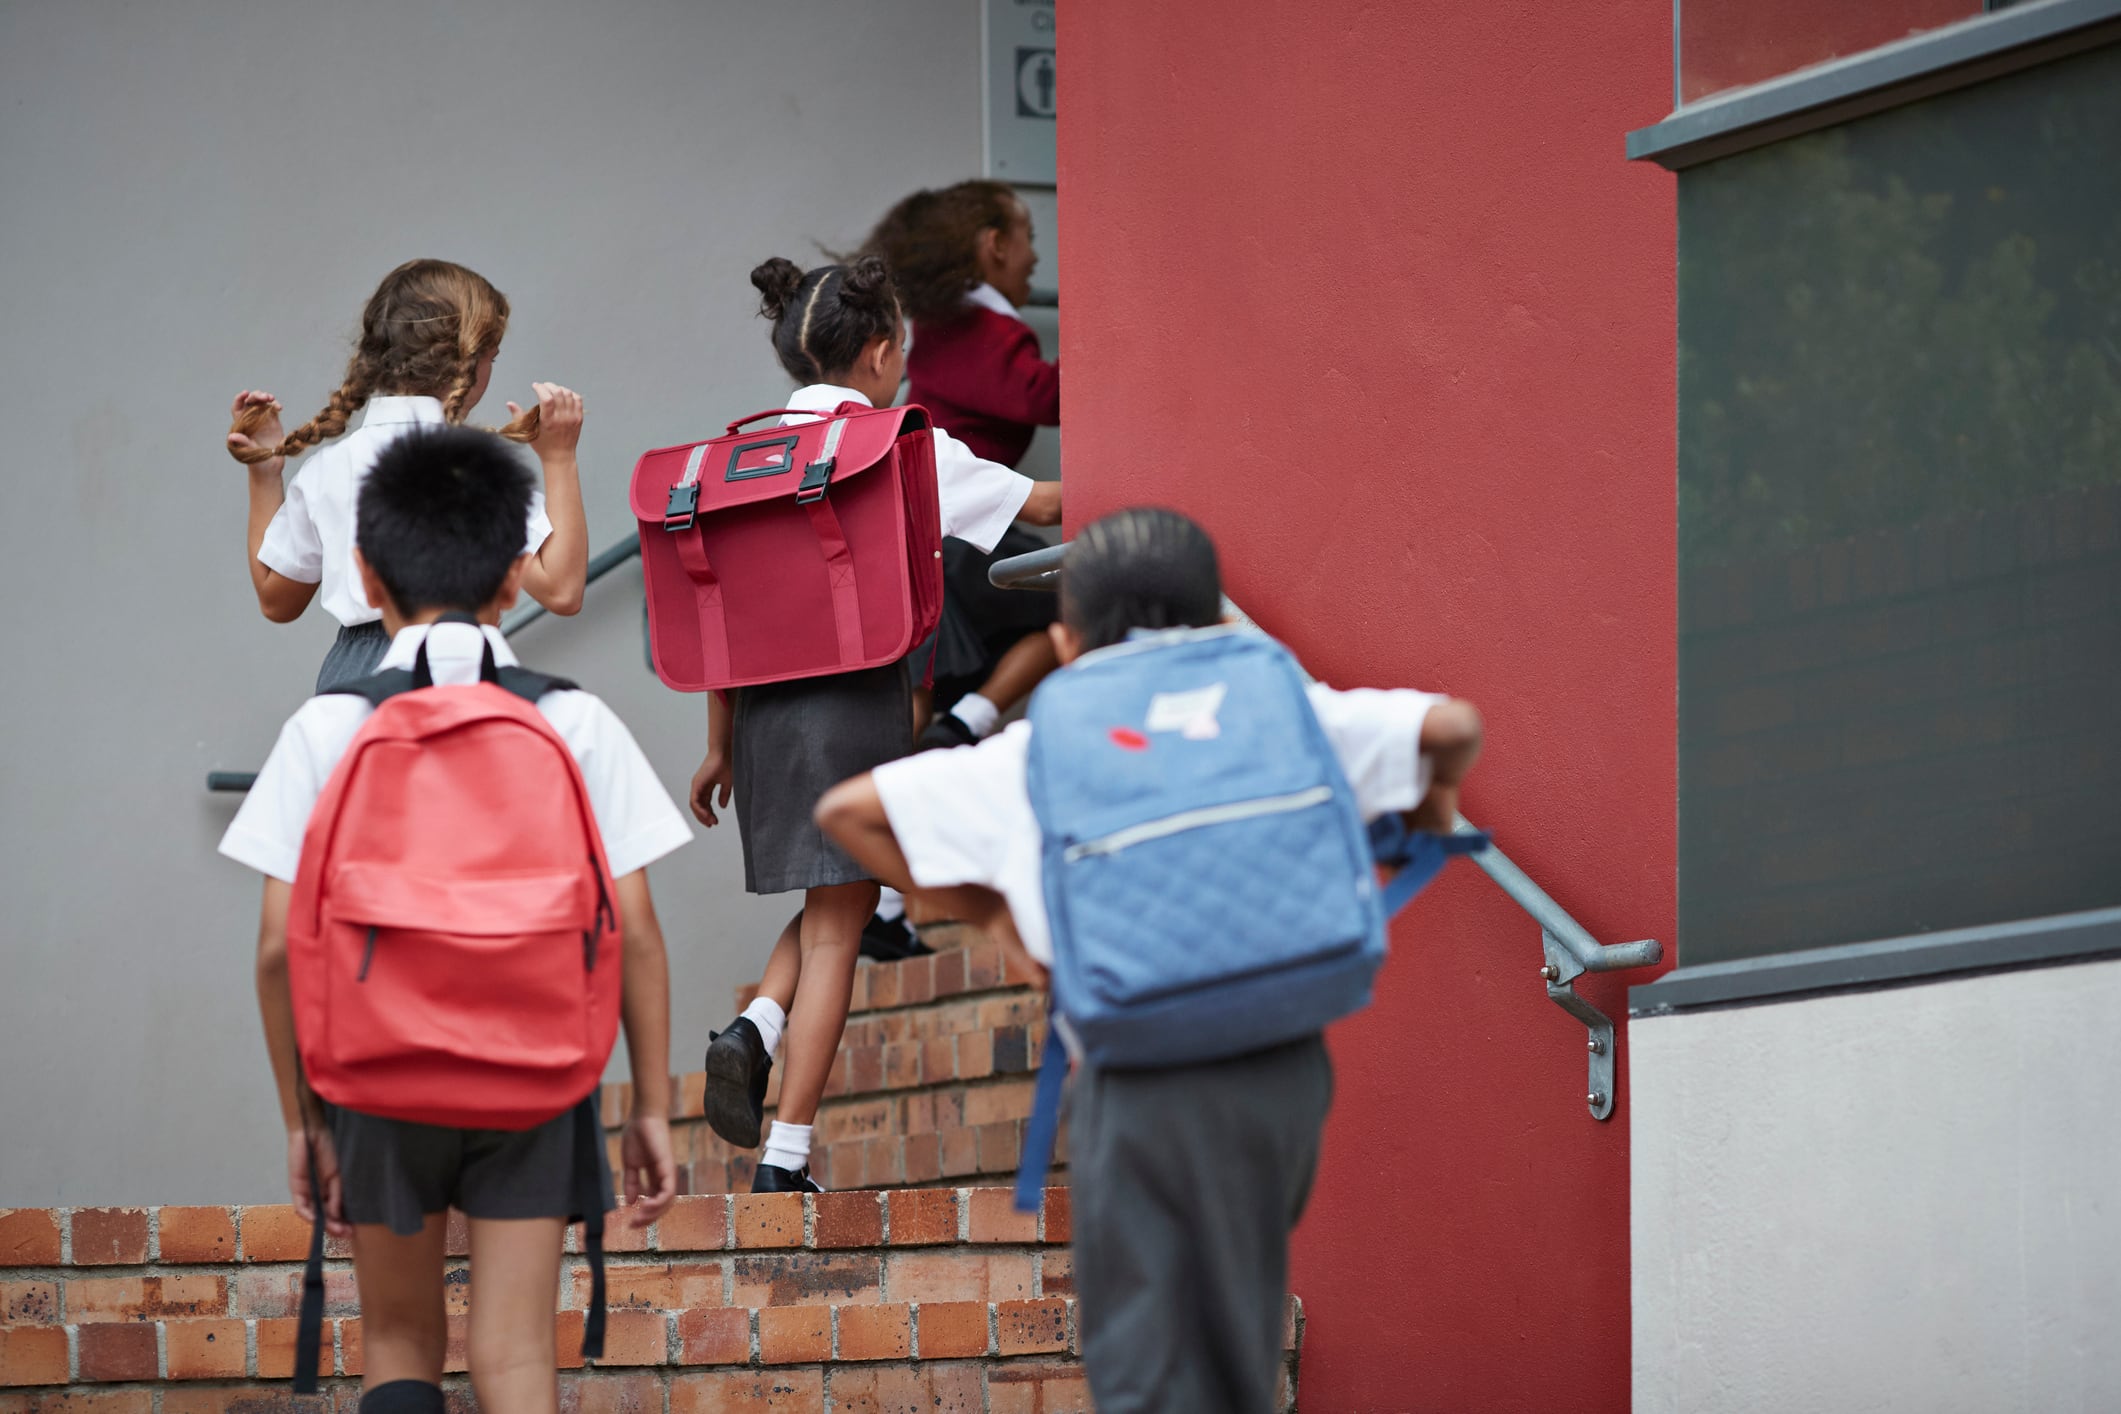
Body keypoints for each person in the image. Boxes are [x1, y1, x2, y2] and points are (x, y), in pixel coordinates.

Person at [813, 507, 1484, 1414]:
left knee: (1143, 1358)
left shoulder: (1042, 746)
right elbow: (1450, 726)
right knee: (1233, 1332)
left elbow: (847, 812)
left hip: (1140, 1076)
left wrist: (997, 918)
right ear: (1214, 621)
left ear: (1063, 638)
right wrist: (1431, 815)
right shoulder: (1282, 703)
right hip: (1284, 1066)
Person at [220, 427, 688, 1414]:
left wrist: (304, 1118)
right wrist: (648, 1103)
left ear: (365, 574)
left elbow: (274, 950)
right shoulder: (576, 718)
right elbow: (634, 931)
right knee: (515, 1354)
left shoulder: (328, 728)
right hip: (536, 1072)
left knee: (398, 1339)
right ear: (517, 574)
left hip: (379, 1076)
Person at [689, 254, 1059, 1192]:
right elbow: (1042, 504)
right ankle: (785, 1159)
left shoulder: (737, 459)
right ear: (883, 351)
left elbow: (719, 614)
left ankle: (755, 1028)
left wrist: (717, 744)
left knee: (829, 905)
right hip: (853, 703)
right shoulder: (899, 442)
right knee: (837, 930)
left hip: (759, 713)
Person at [225, 258, 591, 691]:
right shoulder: (475, 467)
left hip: (349, 681)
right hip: (451, 672)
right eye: (491, 357)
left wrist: (265, 475)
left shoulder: (328, 468)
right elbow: (562, 592)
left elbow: (276, 601)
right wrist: (560, 458)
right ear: (469, 362)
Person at [863, 181, 1064, 756]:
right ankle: (961, 727)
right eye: (1029, 236)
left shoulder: (953, 327)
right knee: (1080, 600)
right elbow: (1040, 395)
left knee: (1041, 614)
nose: (1038, 256)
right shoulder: (974, 329)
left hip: (948, 529)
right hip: (954, 531)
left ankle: (955, 727)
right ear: (996, 244)